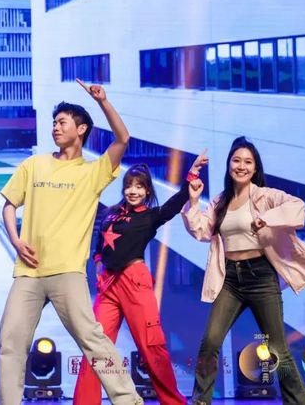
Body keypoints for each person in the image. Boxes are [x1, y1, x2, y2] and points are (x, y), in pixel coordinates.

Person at [0, 79, 143, 405]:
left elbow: (123, 138)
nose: (55, 127)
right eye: (53, 122)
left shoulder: (93, 172)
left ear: (81, 129)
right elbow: (8, 205)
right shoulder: (33, 165)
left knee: (93, 340)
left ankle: (129, 400)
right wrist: (16, 241)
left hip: (68, 272)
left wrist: (102, 101)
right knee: (10, 341)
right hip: (28, 273)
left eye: (61, 122)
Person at [182, 136, 305, 405]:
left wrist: (267, 218)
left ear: (255, 167)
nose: (241, 166)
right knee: (210, 343)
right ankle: (200, 401)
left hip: (260, 275)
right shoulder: (220, 201)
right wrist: (193, 200)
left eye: (248, 162)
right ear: (229, 164)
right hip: (229, 279)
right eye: (236, 160)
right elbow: (201, 231)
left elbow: (297, 207)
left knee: (277, 350)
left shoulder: (265, 195)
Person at [74, 154, 208, 405]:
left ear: (147, 191)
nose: (132, 191)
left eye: (139, 186)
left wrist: (191, 175)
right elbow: (99, 244)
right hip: (108, 287)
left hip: (135, 282)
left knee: (152, 346)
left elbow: (175, 204)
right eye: (128, 185)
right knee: (95, 348)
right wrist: (99, 266)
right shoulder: (110, 213)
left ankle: (174, 403)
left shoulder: (150, 216)